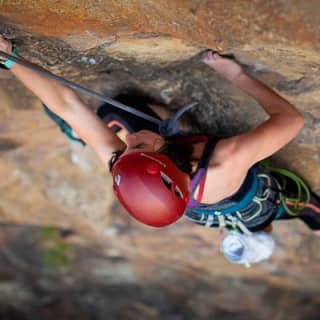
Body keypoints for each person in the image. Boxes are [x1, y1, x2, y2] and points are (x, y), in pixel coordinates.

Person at [1, 35, 319, 264]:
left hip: (189, 198)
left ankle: (80, 136)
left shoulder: (127, 164)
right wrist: (235, 74)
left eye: (125, 150)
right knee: (303, 209)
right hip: (254, 203)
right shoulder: (226, 161)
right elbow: (290, 120)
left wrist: (10, 59)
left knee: (114, 114)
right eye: (137, 145)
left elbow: (68, 105)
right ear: (166, 159)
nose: (128, 141)